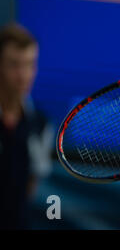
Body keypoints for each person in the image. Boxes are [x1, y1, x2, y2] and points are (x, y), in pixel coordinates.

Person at [0, 22, 54, 229]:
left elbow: (31, 186)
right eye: (14, 65)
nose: (23, 75)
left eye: (30, 64)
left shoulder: (41, 125)